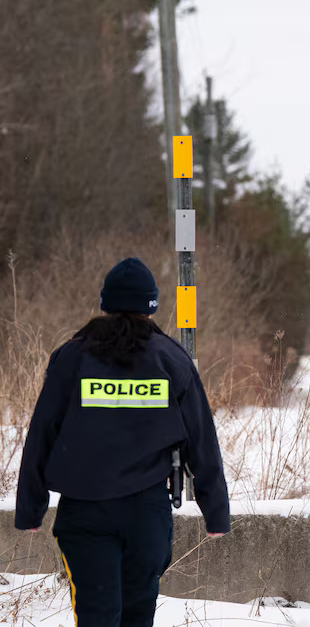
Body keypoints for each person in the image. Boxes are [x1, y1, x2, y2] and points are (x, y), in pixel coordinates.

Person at [14, 257, 230, 627]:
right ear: (152, 305)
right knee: (136, 615)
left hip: (85, 511)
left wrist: (31, 507)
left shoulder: (73, 357)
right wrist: (216, 510)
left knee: (97, 615)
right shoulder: (171, 359)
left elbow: (42, 433)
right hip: (146, 512)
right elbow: (201, 437)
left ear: (106, 302)